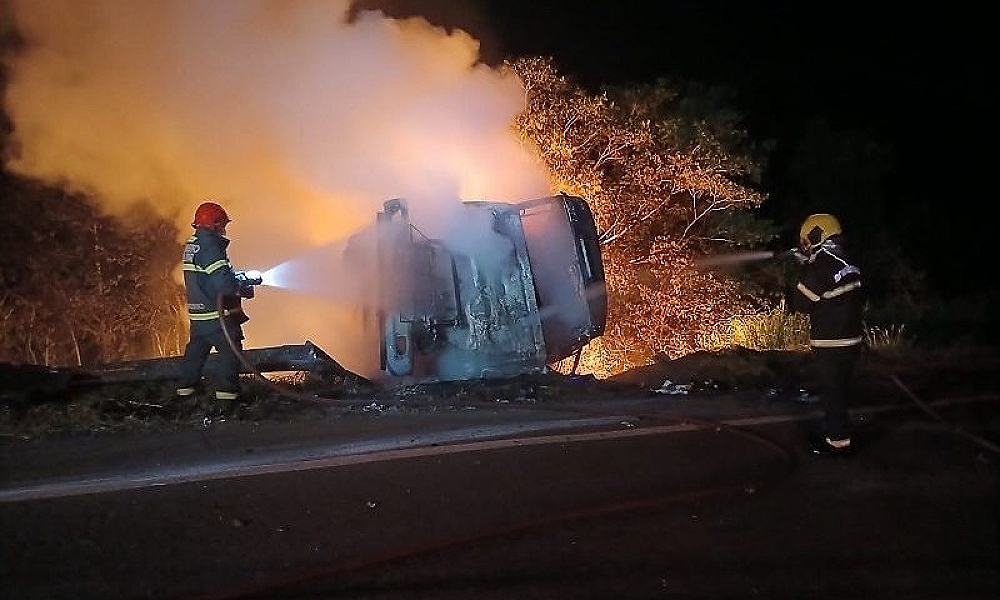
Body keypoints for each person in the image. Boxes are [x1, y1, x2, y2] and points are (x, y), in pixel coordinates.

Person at [790, 213, 865, 456]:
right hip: (852, 340)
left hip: (830, 342)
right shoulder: (847, 260)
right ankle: (838, 429)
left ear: (815, 235)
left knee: (832, 392)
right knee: (840, 390)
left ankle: (837, 443)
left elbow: (801, 304)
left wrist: (805, 267)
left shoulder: (820, 265)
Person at [175, 201, 253, 403]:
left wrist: (238, 277)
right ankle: (227, 399)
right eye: (223, 225)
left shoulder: (193, 245)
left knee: (196, 351)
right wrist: (243, 284)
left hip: (198, 314)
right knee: (230, 350)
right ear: (215, 224)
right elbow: (223, 284)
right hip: (214, 315)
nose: (224, 229)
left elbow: (210, 276)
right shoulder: (210, 247)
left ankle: (184, 393)